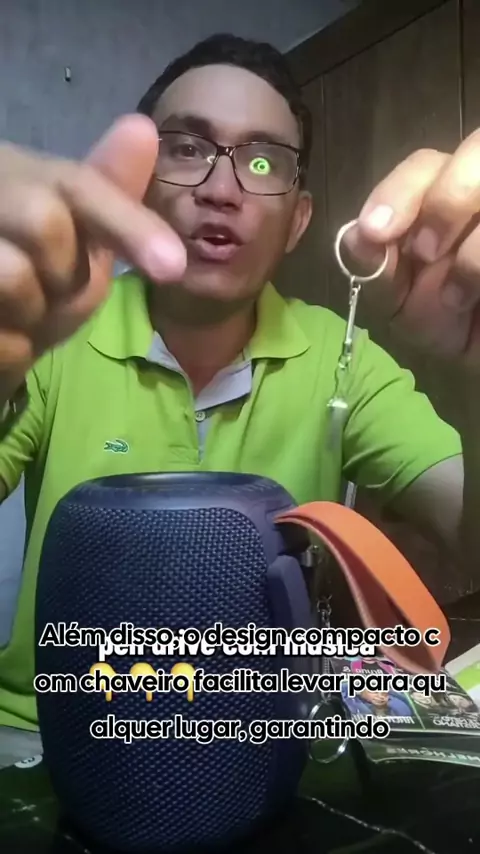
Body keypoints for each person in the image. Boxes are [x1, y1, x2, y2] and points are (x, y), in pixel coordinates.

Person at [0, 32, 479, 766]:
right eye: (188, 148)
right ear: (136, 189)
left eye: (262, 162)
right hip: (44, 736)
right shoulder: (55, 334)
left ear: (298, 221)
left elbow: (462, 517)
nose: (222, 189)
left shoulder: (341, 356)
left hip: (262, 744)